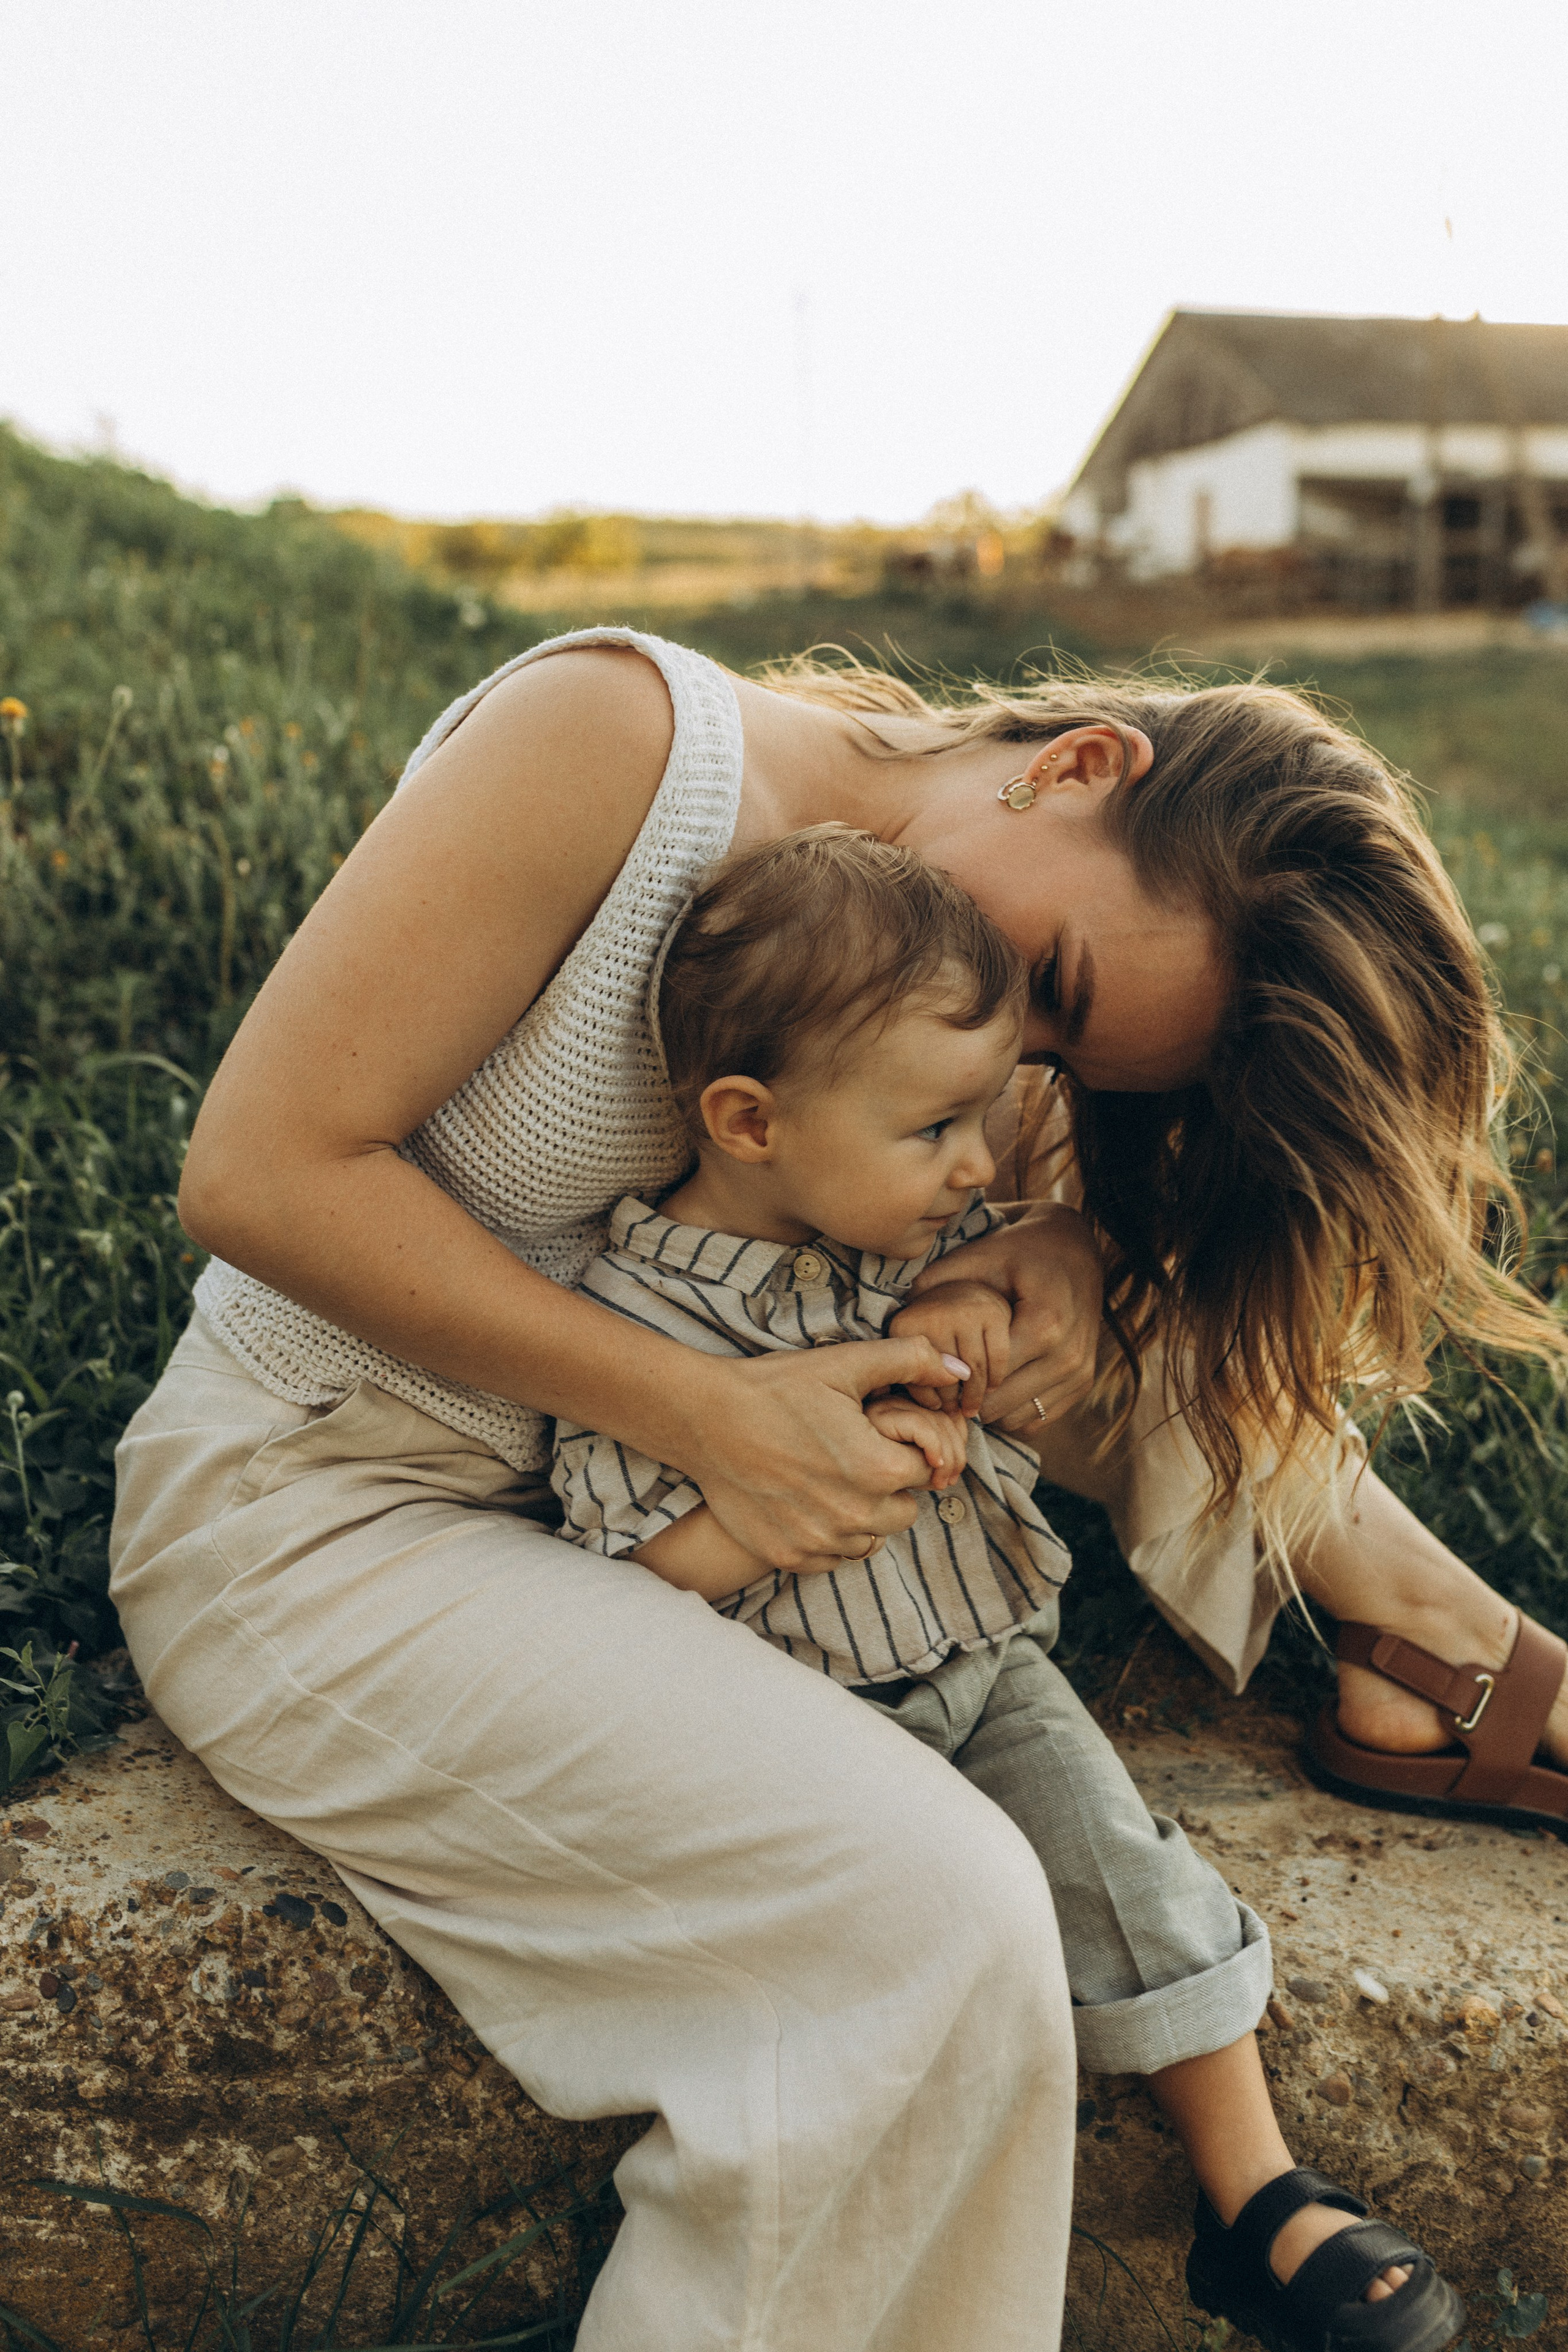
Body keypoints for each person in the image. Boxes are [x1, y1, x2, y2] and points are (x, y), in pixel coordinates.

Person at [110, 625, 1566, 2352]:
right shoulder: (622, 745)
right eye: (1063, 998)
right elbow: (258, 1170)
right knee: (936, 1922)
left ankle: (1429, 1634)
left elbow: (1057, 1270)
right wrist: (711, 1413)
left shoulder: (980, 1002)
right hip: (335, 1501)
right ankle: (1448, 1652)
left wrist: (1064, 1250)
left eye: (1074, 1070)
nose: (1029, 1066)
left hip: (677, 1538)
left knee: (1076, 1330)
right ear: (1081, 763)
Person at [551, 822, 1461, 2350]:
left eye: (985, 1118)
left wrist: (1012, 1327)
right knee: (901, 1958)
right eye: (933, 1131)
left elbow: (1030, 1304)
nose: (978, 1162)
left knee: (1130, 1872)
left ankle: (1257, 2197)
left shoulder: (922, 1239)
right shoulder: (638, 1316)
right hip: (805, 1725)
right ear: (746, 1120)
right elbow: (625, 1564)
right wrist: (775, 1504)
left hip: (987, 1667)